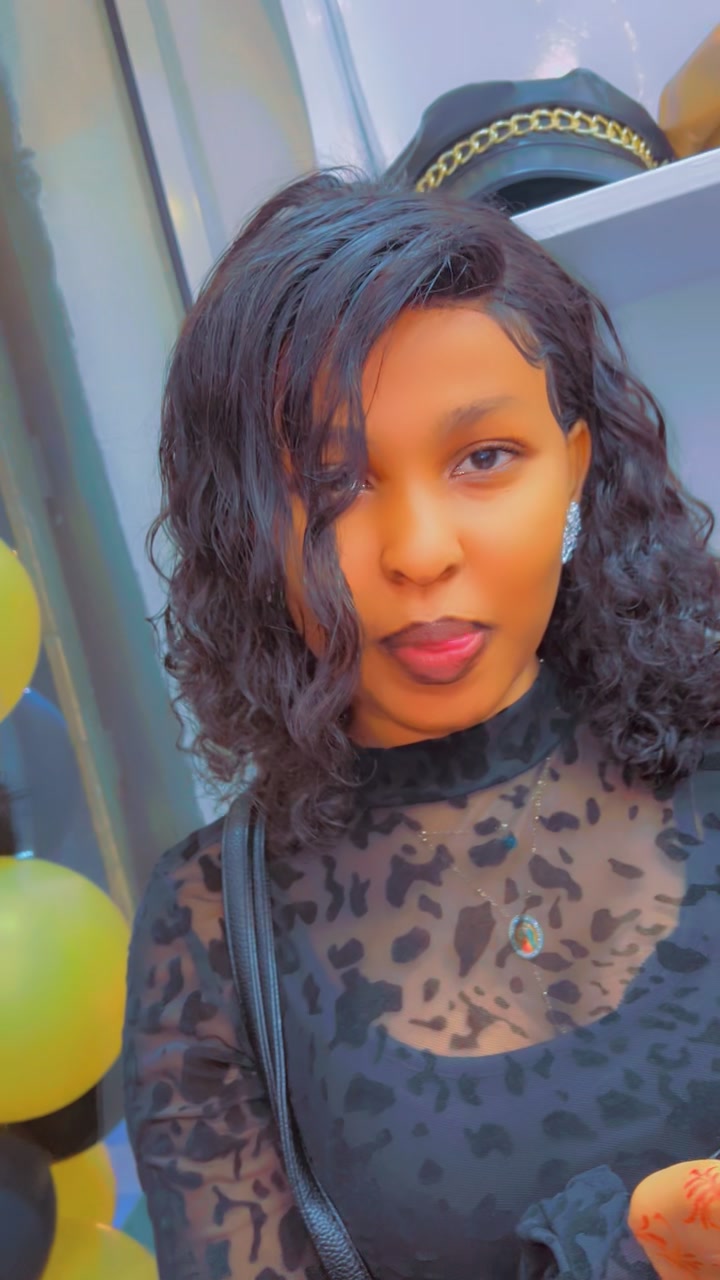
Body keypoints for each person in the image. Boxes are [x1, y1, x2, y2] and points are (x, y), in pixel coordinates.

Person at [122, 171, 720, 1280]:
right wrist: (642, 1241)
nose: (420, 550)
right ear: (248, 530)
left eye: (482, 458)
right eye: (332, 484)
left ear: (575, 467)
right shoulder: (211, 930)